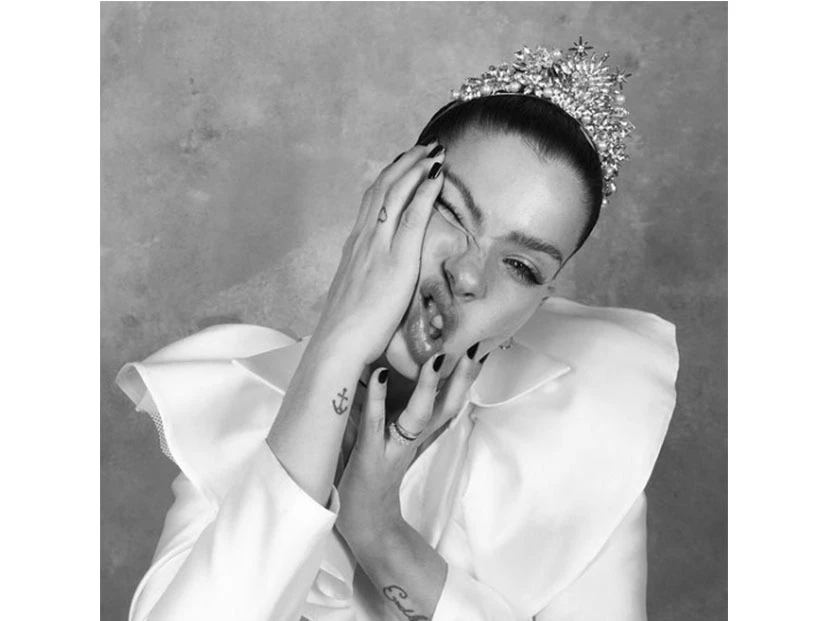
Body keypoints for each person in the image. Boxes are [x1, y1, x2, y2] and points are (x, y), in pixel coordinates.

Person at [116, 42, 679, 621]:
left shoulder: (582, 445)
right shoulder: (249, 409)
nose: (467, 275)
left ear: (537, 304)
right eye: (452, 212)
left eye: (520, 266)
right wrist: (337, 343)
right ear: (390, 197)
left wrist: (382, 537)